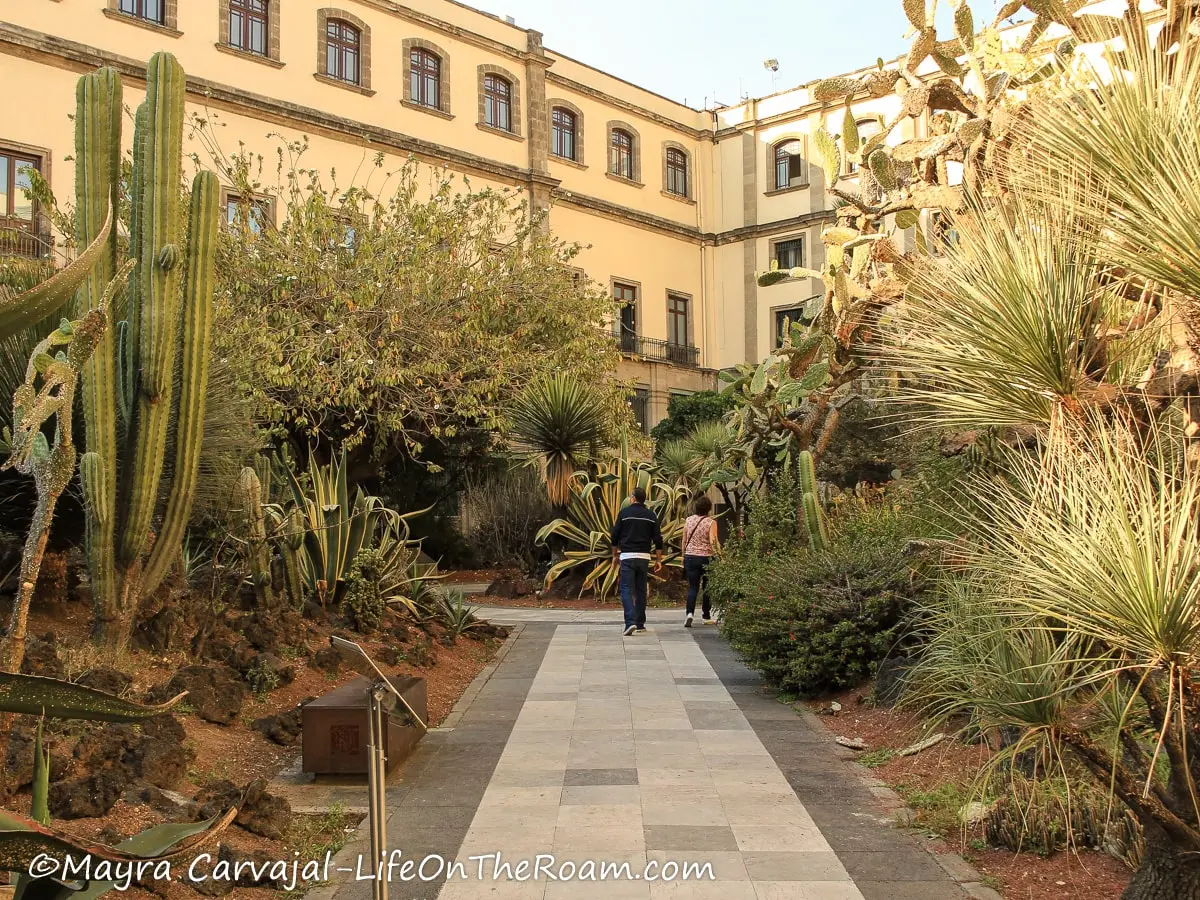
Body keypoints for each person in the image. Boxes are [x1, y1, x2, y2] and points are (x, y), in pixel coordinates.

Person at [610, 486, 664, 636]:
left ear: (633, 498)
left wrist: (614, 555)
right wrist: (659, 559)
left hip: (627, 556)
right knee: (640, 589)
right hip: (644, 557)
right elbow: (658, 539)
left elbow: (615, 536)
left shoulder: (624, 514)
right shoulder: (651, 515)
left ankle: (630, 622)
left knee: (626, 589)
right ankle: (639, 623)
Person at [682, 494, 720, 628]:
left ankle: (689, 613)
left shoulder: (688, 520)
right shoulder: (711, 522)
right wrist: (720, 556)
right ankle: (706, 616)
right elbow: (713, 541)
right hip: (706, 558)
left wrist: (683, 556)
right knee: (707, 587)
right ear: (708, 509)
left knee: (693, 587)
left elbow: (685, 540)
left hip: (690, 556)